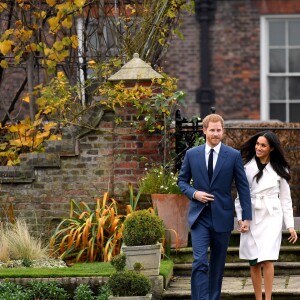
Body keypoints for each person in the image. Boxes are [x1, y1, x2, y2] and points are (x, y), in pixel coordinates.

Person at [177, 113, 252, 300]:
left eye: (219, 130)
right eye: (212, 130)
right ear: (204, 131)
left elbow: (243, 188)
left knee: (217, 264)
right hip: (199, 216)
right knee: (200, 261)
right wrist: (194, 193)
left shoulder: (233, 155)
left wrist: (246, 217)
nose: (216, 134)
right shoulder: (192, 154)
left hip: (222, 216)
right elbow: (182, 181)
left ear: (223, 131)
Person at [235, 130, 298, 300]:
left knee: (268, 259)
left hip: (272, 217)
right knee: (254, 261)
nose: (258, 148)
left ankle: (268, 298)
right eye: (257, 144)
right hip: (252, 216)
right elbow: (241, 196)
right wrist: (241, 219)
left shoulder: (280, 169)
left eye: (263, 145)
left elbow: (285, 199)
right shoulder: (246, 167)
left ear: (271, 148)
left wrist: (290, 225)